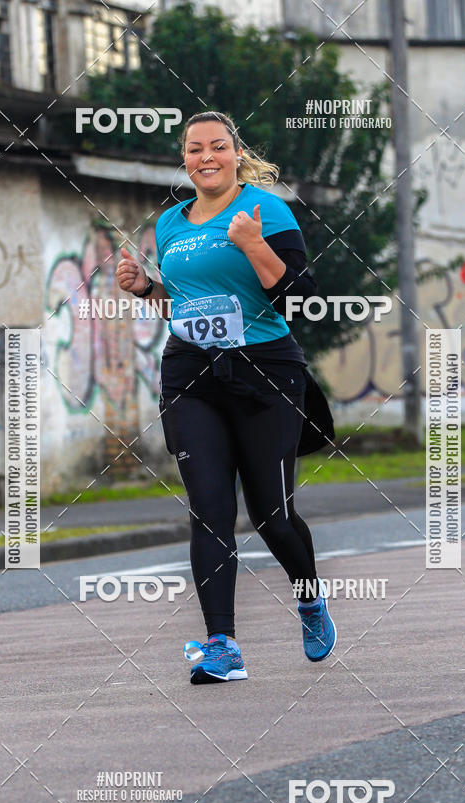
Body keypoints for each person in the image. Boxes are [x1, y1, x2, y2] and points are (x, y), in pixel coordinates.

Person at [116, 110, 336, 685]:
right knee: (211, 512)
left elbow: (300, 298)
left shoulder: (265, 210)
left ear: (236, 154)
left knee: (273, 516)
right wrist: (147, 290)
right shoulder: (169, 223)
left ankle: (310, 600)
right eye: (194, 149)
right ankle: (222, 646)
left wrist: (255, 245)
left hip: (265, 372)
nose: (206, 157)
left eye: (217, 147)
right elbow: (185, 302)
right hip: (192, 373)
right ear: (184, 159)